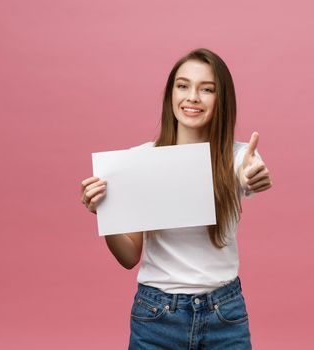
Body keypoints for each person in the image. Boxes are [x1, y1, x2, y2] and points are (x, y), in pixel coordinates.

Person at [80, 48, 272, 349]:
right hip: (156, 317)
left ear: (222, 100)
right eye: (183, 86)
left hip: (225, 314)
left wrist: (253, 176)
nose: (192, 97)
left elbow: (248, 172)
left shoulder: (238, 157)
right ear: (171, 94)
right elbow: (129, 257)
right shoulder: (139, 161)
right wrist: (105, 210)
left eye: (206, 89)